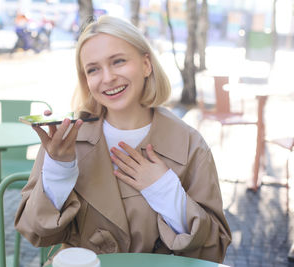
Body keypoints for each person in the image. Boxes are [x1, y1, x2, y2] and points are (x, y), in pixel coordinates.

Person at [14, 15, 231, 264]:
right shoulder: (66, 139)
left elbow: (213, 251)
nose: (107, 78)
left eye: (118, 61)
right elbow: (35, 231)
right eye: (93, 69)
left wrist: (166, 191)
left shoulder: (191, 146)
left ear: (146, 65)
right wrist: (59, 169)